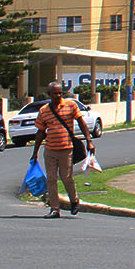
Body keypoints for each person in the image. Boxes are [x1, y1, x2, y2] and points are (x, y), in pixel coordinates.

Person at [29, 81, 93, 219]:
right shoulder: (44, 110)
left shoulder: (70, 105)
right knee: (51, 179)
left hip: (67, 149)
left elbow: (81, 122)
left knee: (66, 177)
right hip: (50, 150)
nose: (58, 95)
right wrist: (35, 153)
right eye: (55, 93)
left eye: (60, 93)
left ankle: (74, 200)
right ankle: (54, 209)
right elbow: (40, 132)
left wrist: (89, 140)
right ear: (49, 94)